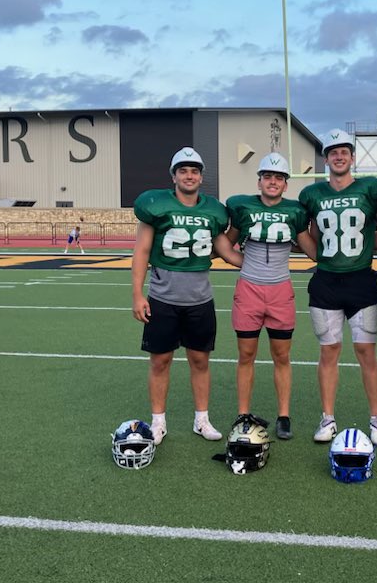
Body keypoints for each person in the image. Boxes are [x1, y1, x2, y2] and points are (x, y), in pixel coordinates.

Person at [131, 147, 242, 445]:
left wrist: (260, 260)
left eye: (194, 171)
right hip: (163, 298)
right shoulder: (156, 206)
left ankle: (201, 420)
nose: (189, 175)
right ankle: (158, 422)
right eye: (183, 170)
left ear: (201, 176)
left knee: (200, 361)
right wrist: (137, 294)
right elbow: (141, 251)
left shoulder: (212, 211)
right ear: (174, 176)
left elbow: (226, 251)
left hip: (200, 299)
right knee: (160, 361)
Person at [298, 128, 377, 445]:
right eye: (333, 151)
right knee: (328, 352)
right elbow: (309, 234)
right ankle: (327, 418)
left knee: (367, 352)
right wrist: (321, 254)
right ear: (326, 158)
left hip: (361, 280)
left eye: (344, 151)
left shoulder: (369, 190)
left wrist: (362, 246)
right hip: (325, 282)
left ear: (352, 157)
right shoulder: (313, 194)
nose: (338, 156)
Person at [226, 153, 316, 440]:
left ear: (286, 184)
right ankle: (243, 413)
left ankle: (284, 415)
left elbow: (311, 249)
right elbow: (225, 242)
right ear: (259, 181)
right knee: (246, 355)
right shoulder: (243, 206)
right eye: (268, 177)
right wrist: (243, 263)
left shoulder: (295, 211)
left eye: (278, 178)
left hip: (280, 291)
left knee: (282, 356)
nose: (273, 182)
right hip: (249, 289)